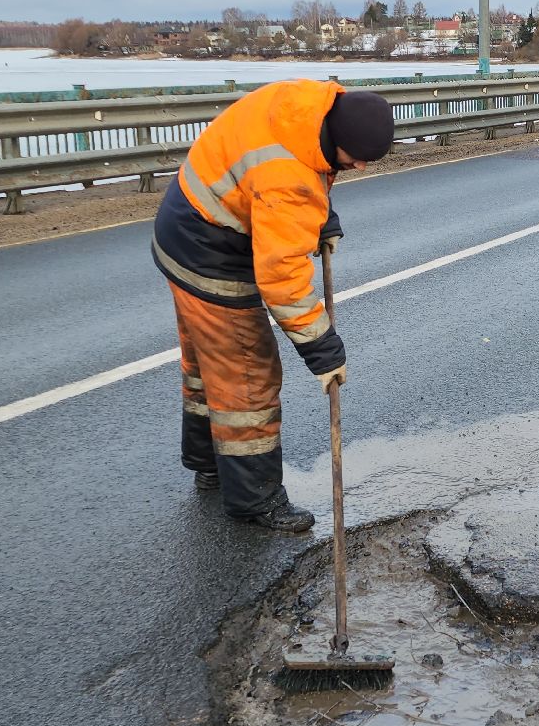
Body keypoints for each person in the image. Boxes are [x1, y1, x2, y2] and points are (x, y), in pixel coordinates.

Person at [152, 81, 394, 531]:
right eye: (356, 157)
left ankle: (209, 467)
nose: (359, 166)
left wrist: (322, 218)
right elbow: (282, 282)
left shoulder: (309, 106)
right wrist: (324, 351)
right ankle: (254, 500)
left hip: (184, 224)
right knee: (247, 375)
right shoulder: (289, 179)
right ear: (335, 135)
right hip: (211, 252)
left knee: (209, 365)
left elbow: (307, 168)